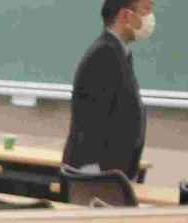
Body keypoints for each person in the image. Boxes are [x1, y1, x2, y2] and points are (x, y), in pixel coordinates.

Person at [63, 0, 155, 181]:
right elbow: (90, 121)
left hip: (111, 172)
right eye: (146, 10)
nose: (150, 18)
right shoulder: (104, 53)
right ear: (125, 15)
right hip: (96, 173)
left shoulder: (118, 52)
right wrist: (94, 175)